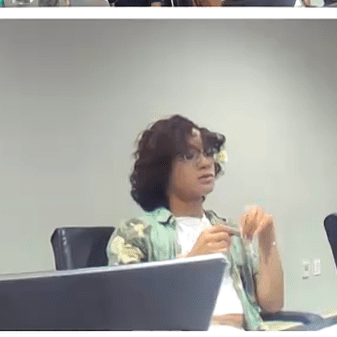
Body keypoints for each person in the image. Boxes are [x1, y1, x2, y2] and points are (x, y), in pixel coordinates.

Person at [107, 115, 284, 330]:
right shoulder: (135, 233)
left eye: (208, 153)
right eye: (189, 155)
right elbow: (127, 310)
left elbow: (273, 304)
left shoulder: (227, 231)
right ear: (162, 169)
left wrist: (267, 239)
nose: (206, 162)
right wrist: (192, 264)